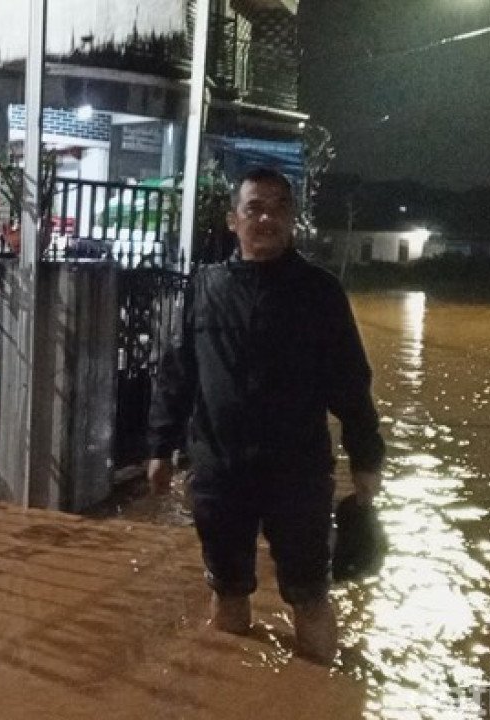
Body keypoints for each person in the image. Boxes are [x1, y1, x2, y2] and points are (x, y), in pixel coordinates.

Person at [147, 166, 385, 665]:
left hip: (296, 473)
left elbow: (350, 382)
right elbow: (178, 370)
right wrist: (159, 448)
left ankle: (321, 692)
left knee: (310, 593)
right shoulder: (205, 287)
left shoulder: (320, 293)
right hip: (219, 470)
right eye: (255, 207)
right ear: (234, 220)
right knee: (229, 591)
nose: (267, 217)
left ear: (292, 220)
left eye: (278, 207)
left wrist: (366, 459)